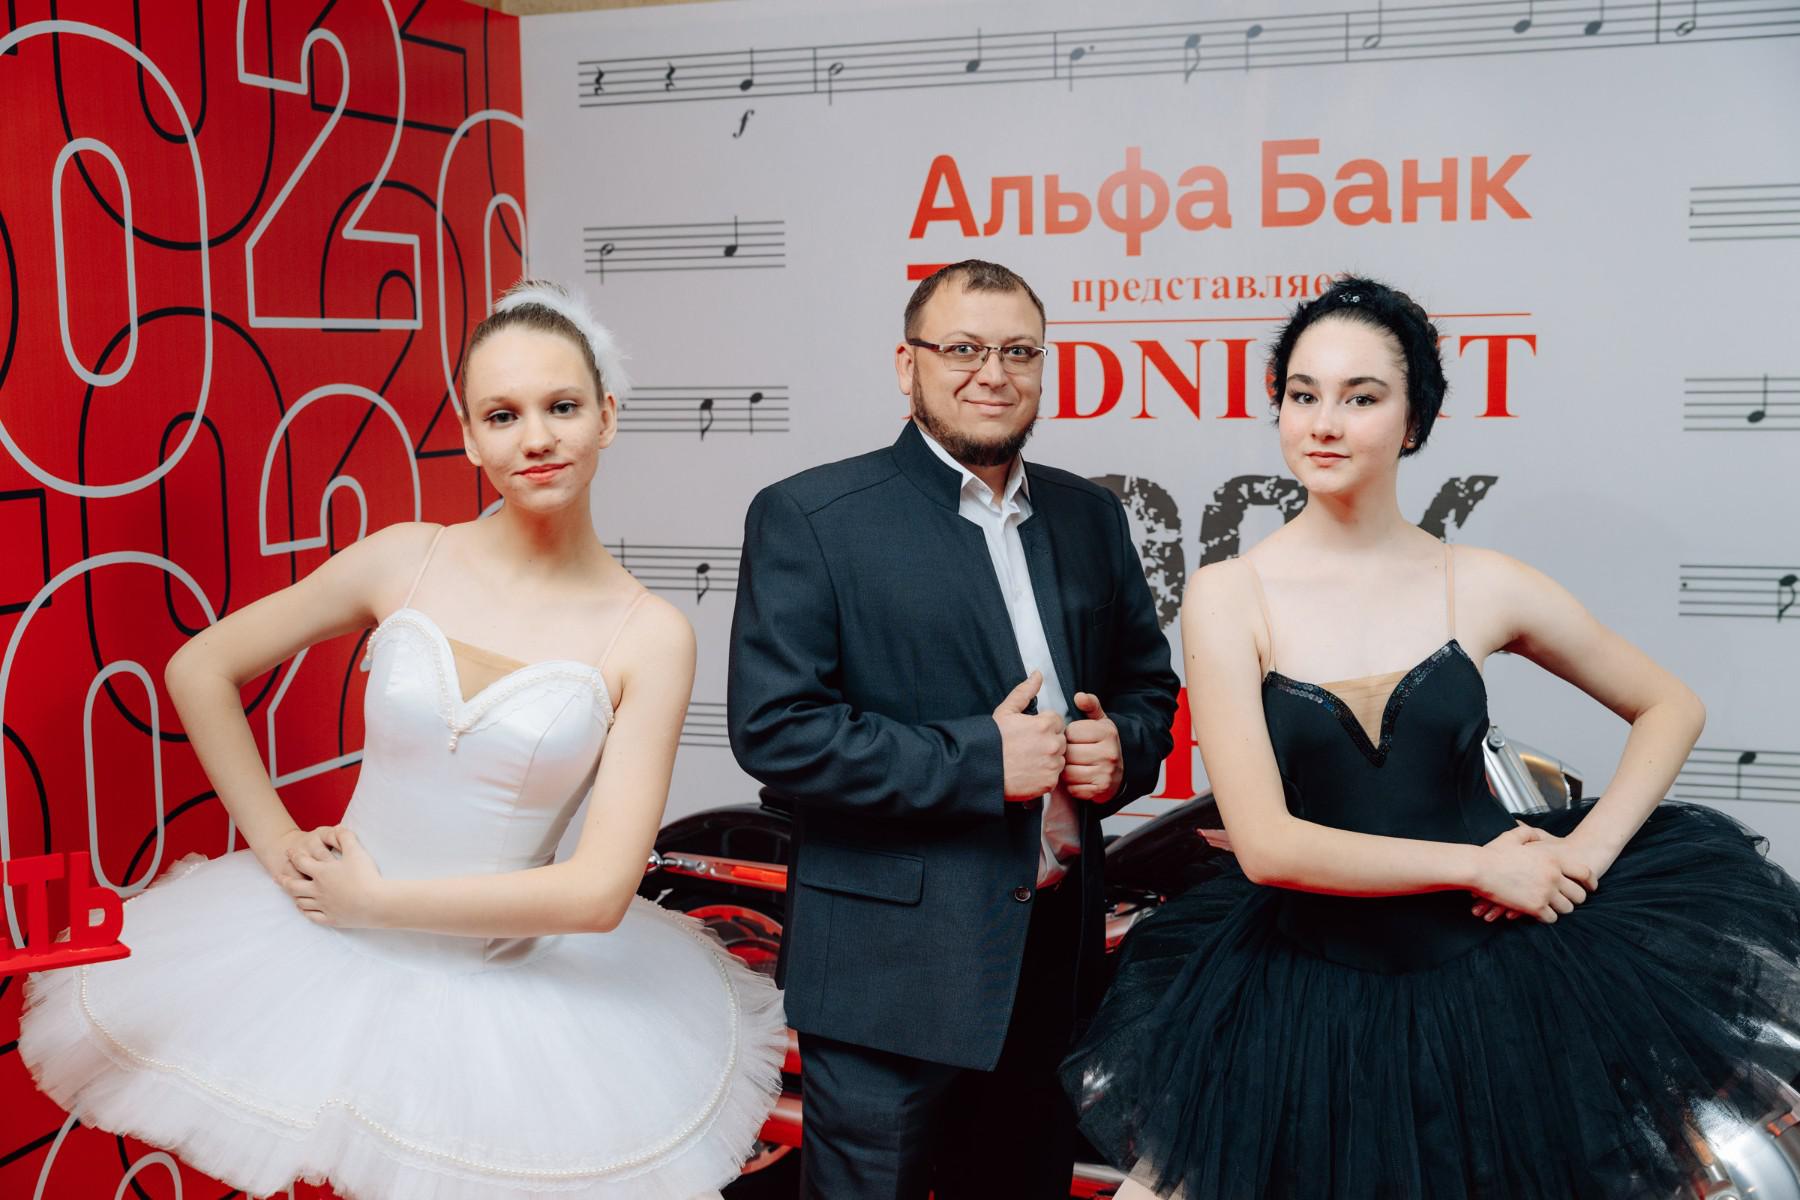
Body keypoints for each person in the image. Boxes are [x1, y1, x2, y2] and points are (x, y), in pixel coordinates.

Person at [20, 281, 786, 1200]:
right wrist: (277, 842)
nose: (535, 438)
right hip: (320, 958)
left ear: (607, 417)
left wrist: (378, 903)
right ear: (469, 437)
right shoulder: (404, 557)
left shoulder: (651, 635)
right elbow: (199, 669)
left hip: (505, 1003)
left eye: (562, 407)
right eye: (502, 415)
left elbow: (596, 893)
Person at [1061, 275, 1800, 1200]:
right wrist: (1479, 867)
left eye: (1360, 398)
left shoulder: (1481, 582)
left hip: (1497, 983)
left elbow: (1670, 706)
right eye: (1303, 394)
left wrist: (1581, 856)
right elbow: (1268, 845)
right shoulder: (1228, 594)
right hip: (1303, 989)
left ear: (1414, 421)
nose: (1324, 423)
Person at [727, 259, 1179, 1199]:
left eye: (1020, 352)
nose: (994, 374)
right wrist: (980, 760)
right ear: (909, 365)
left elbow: (1147, 686)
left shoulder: (1091, 515)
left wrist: (1123, 751)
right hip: (886, 970)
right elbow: (777, 730)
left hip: (1048, 958)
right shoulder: (810, 516)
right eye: (964, 348)